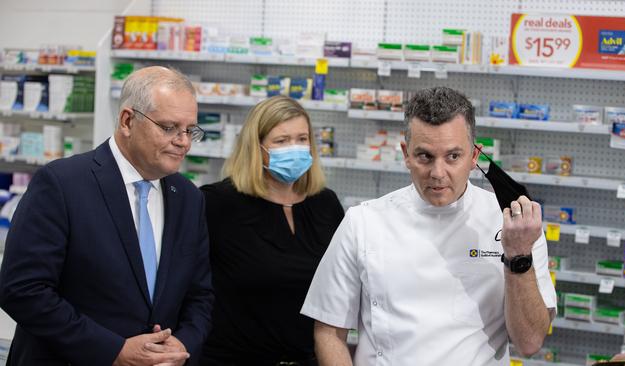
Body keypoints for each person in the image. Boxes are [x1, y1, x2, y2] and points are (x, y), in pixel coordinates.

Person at [301, 87, 557, 365]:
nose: (437, 173)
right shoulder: (363, 222)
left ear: (474, 156)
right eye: (425, 156)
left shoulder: (514, 227)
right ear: (406, 154)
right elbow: (329, 331)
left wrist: (518, 255)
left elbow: (530, 342)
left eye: (452, 157)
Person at [0, 66, 214, 365]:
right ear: (128, 120)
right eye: (169, 128)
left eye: (190, 130)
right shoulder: (63, 183)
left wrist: (181, 345)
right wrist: (113, 351)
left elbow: (200, 295)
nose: (184, 142)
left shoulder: (189, 197)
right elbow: (22, 290)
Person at [199, 95, 344, 366]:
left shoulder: (326, 205)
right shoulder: (217, 204)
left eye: (302, 139)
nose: (295, 148)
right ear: (257, 148)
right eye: (281, 141)